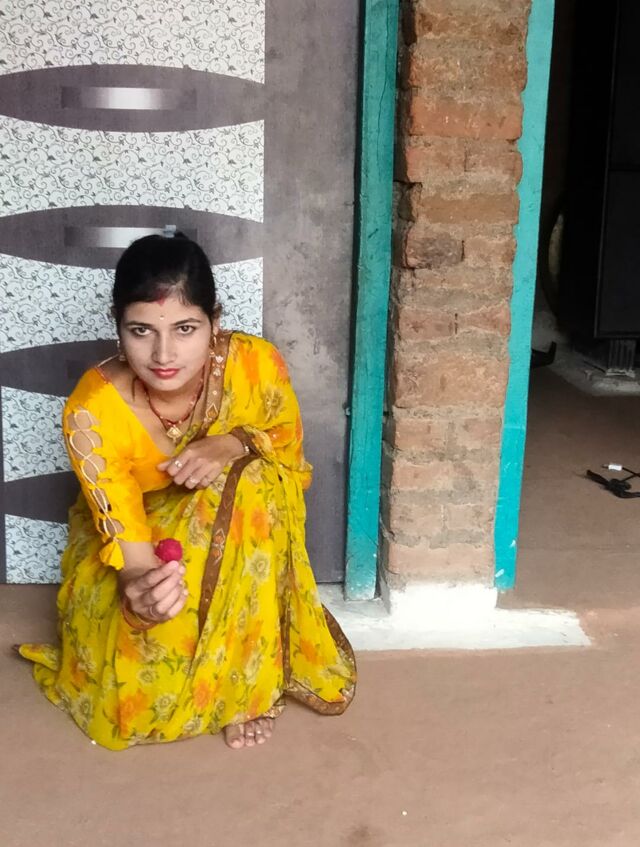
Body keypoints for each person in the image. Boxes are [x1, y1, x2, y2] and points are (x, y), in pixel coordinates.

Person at [17, 233, 356, 751]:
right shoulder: (92, 413)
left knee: (253, 484)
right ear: (117, 326)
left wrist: (233, 443)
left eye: (185, 329)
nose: (163, 354)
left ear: (214, 322)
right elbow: (129, 544)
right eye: (141, 331)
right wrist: (141, 590)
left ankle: (246, 686)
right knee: (139, 681)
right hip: (140, 536)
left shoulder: (253, 364)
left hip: (241, 534)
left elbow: (288, 450)